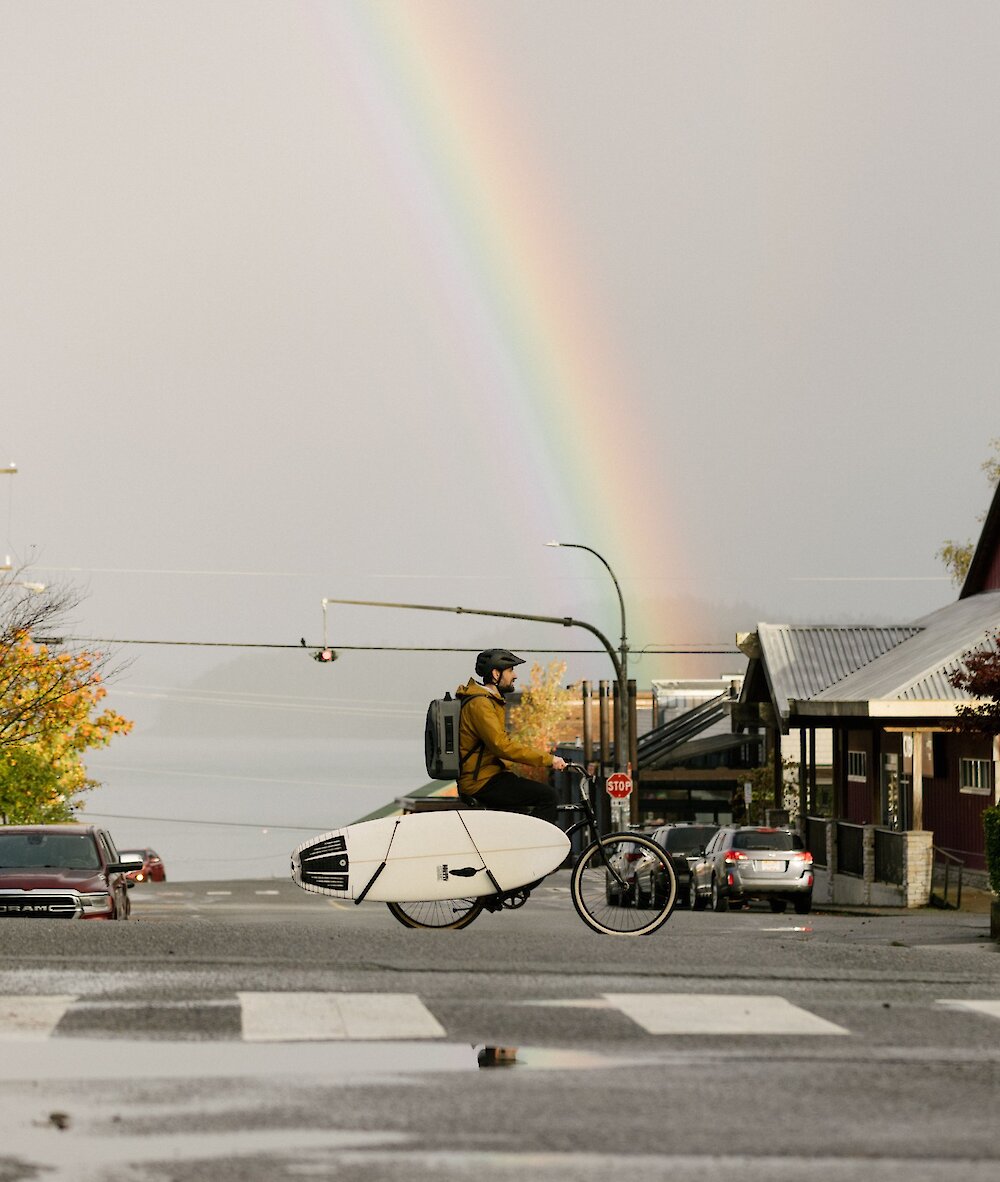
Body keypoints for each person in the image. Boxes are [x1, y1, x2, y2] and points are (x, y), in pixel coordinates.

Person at [455, 648, 566, 826]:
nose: (515, 676)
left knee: (520, 814)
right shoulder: (480, 704)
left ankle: (517, 847)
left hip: (490, 776)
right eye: (510, 670)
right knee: (548, 796)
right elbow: (501, 745)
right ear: (495, 673)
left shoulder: (488, 700)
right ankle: (533, 850)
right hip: (481, 782)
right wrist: (548, 760)